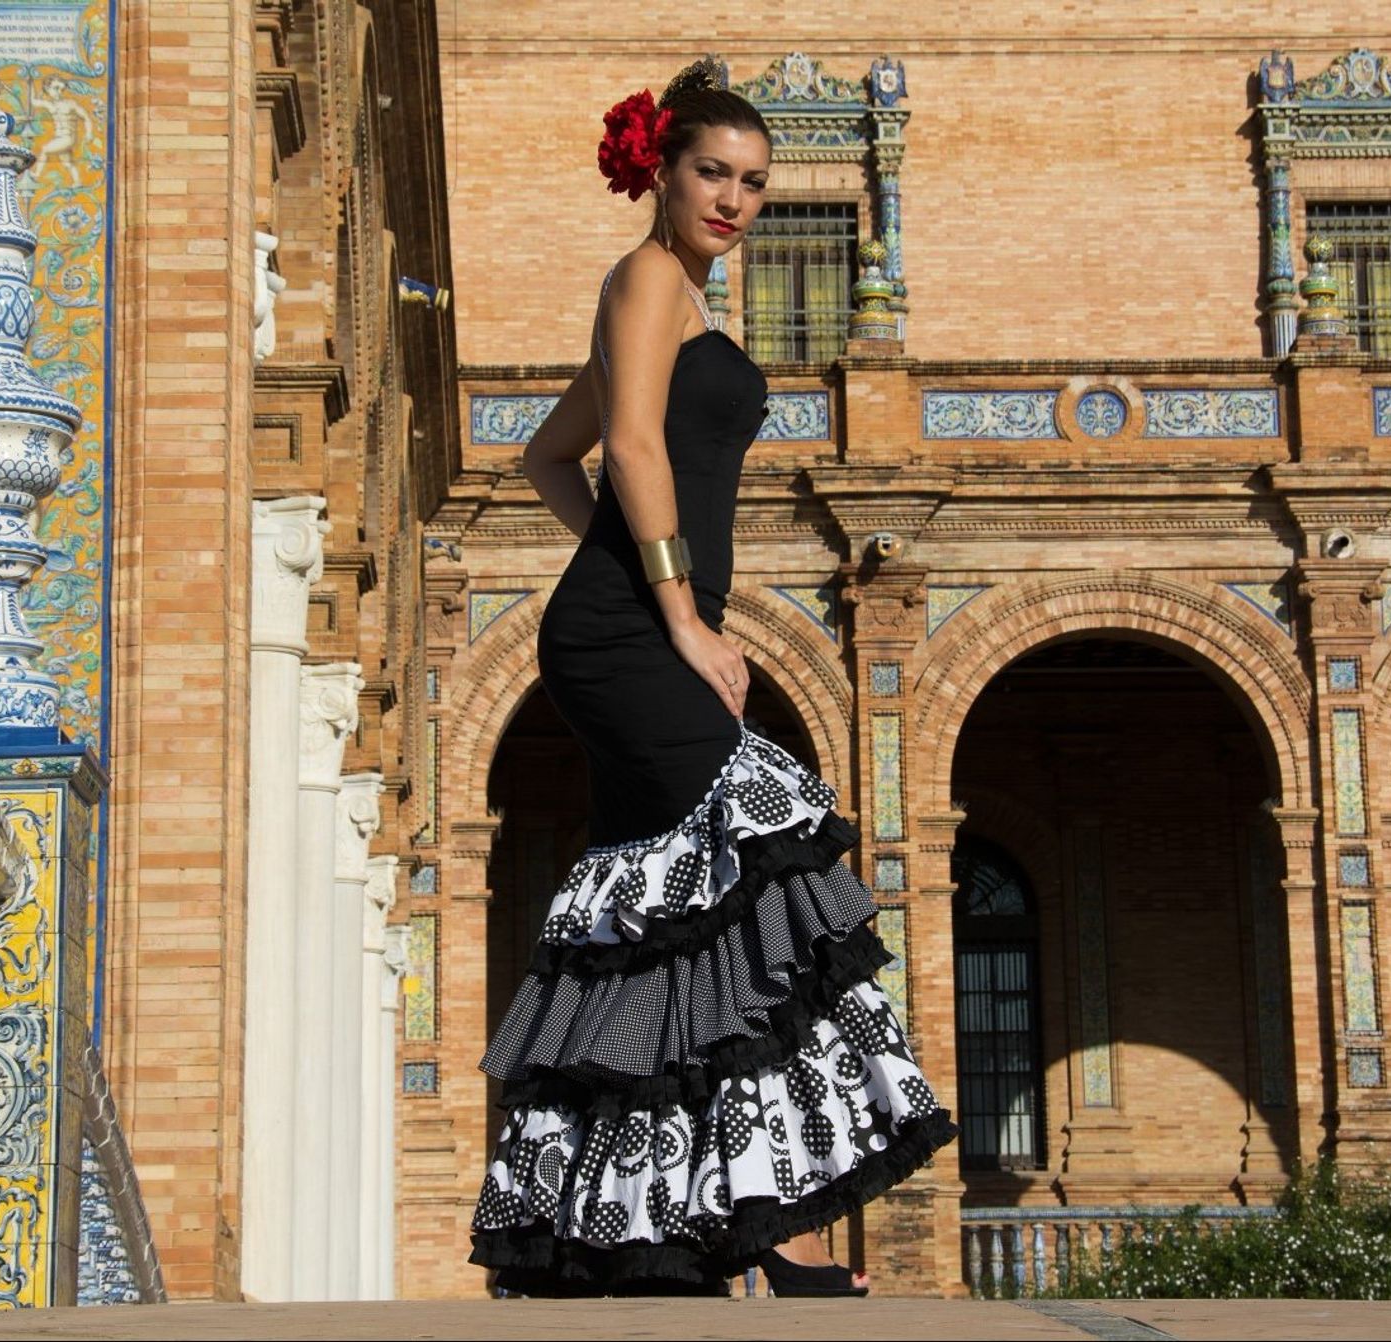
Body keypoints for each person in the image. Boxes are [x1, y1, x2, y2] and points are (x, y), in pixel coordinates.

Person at [467, 55, 956, 1299]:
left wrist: (625, 569)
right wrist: (673, 610)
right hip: (634, 638)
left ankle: (656, 1225)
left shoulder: (678, 301)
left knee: (668, 923)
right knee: (756, 847)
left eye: (753, 184)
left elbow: (545, 457)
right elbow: (622, 446)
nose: (735, 201)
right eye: (713, 175)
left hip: (628, 616)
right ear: (663, 171)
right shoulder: (643, 279)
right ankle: (752, 1225)